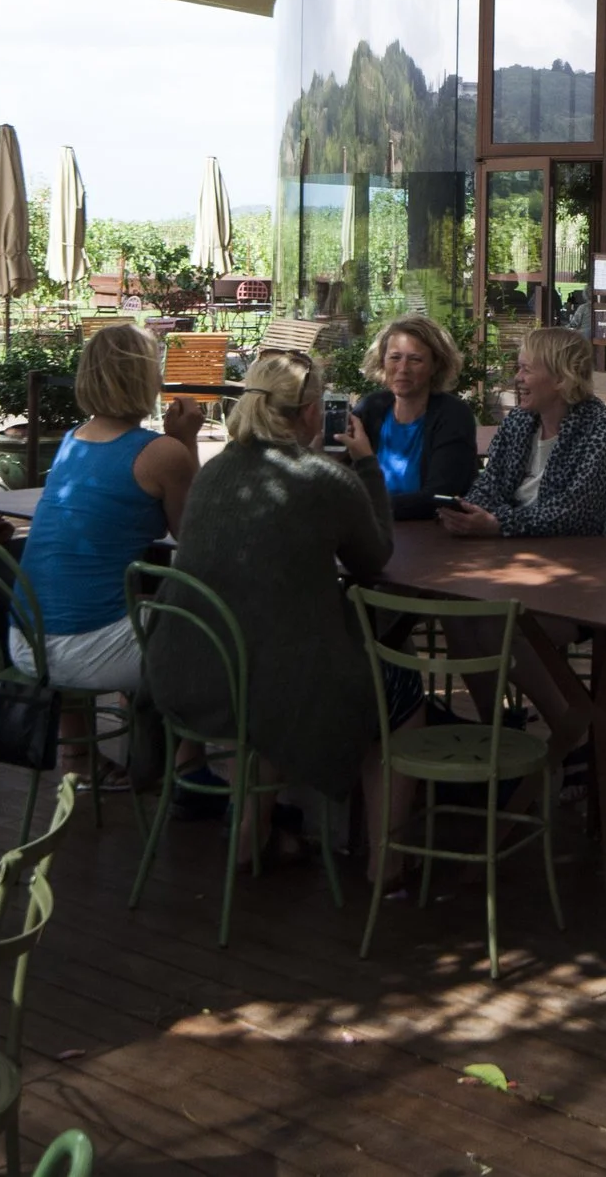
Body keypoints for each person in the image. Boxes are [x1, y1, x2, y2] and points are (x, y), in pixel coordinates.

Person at [146, 348, 421, 875]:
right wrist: (366, 465)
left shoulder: (216, 470)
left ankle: (255, 829)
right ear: (312, 411)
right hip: (267, 682)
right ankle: (386, 863)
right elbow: (374, 557)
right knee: (403, 689)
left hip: (187, 671)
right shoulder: (323, 479)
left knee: (276, 657)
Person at [10, 325, 199, 780]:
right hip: (84, 650)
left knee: (118, 599)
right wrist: (186, 441)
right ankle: (188, 771)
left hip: (25, 640)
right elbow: (196, 536)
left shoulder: (73, 440)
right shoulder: (162, 453)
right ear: (146, 377)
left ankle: (79, 757)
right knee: (213, 634)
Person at [438, 325, 606, 735]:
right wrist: (470, 513)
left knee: (497, 625)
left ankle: (571, 731)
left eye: (527, 369)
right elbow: (488, 486)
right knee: (457, 614)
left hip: (583, 584)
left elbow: (571, 515)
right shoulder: (519, 423)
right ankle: (496, 729)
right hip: (517, 568)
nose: (518, 378)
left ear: (561, 377)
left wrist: (497, 524)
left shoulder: (600, 430)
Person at [349, 315, 479, 520]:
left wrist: (365, 508)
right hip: (371, 531)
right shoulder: (370, 408)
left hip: (431, 535)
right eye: (395, 357)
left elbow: (439, 497)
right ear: (382, 361)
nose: (403, 369)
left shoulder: (453, 415)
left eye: (415, 359)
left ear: (435, 365)